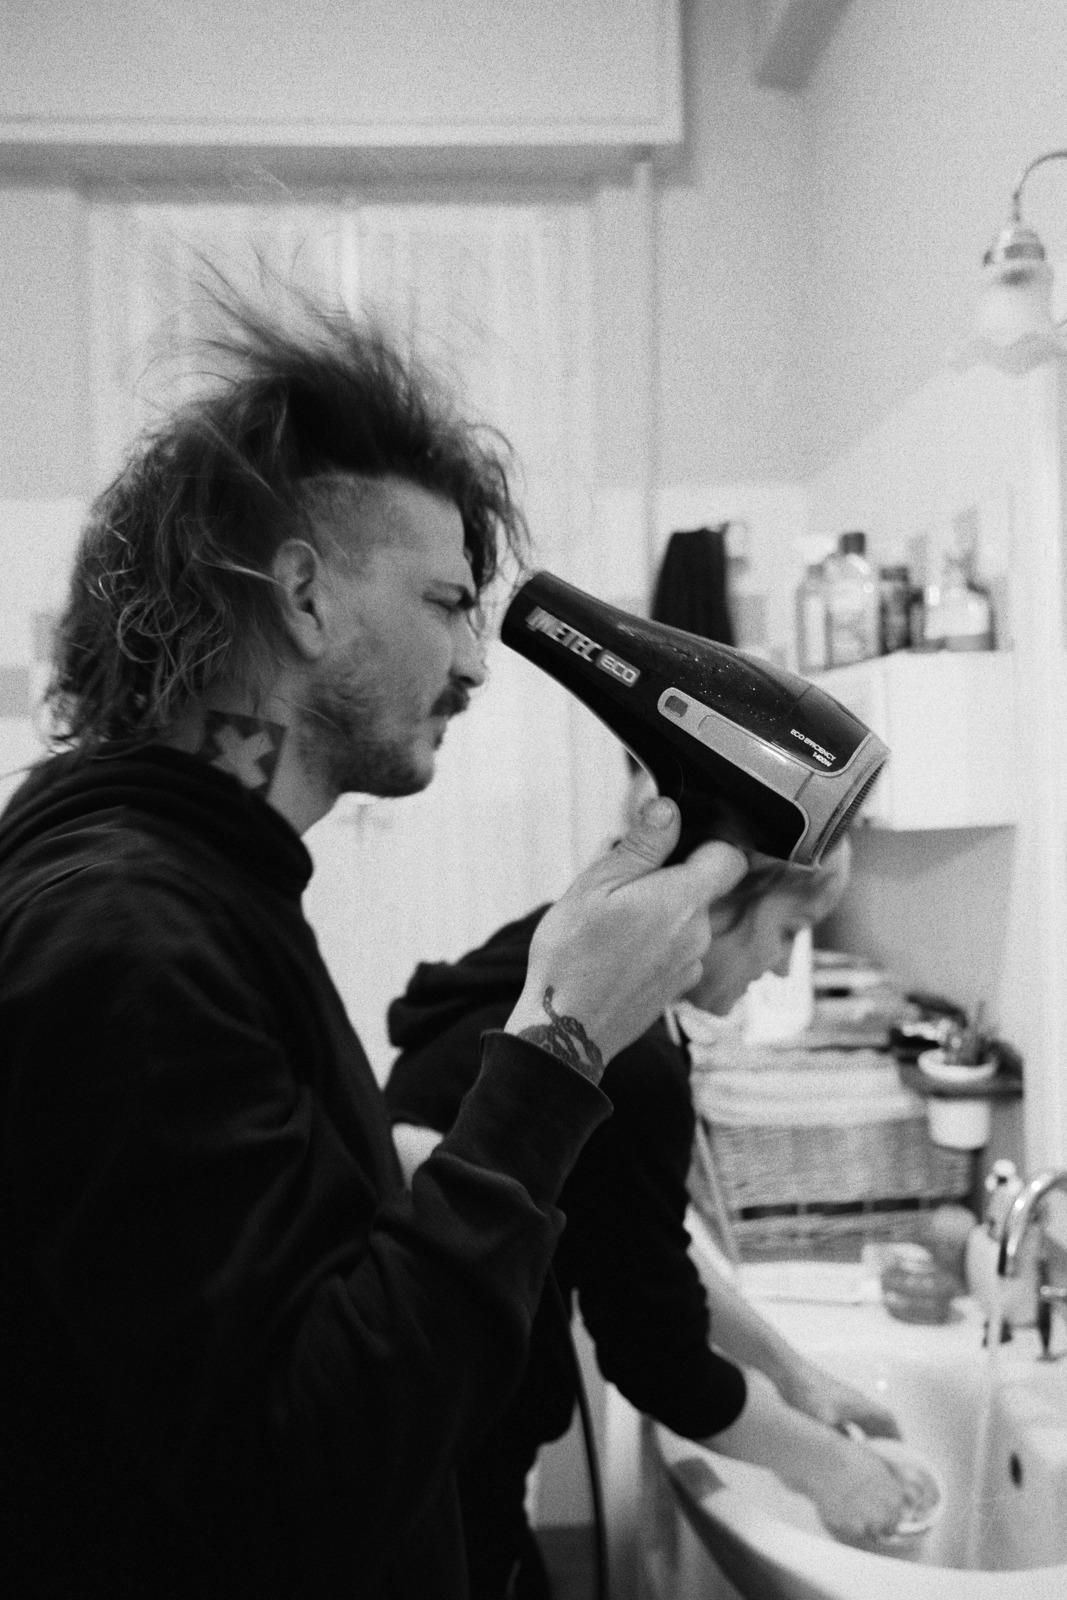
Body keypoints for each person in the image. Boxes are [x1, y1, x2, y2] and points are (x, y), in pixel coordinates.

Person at [0, 289, 749, 1600]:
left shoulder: (192, 889)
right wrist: (555, 1042)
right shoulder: (123, 938)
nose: (473, 665)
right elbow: (312, 1474)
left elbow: (234, 1286)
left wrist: (391, 1163)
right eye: (448, 601)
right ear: (300, 594)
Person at [386, 826, 911, 1599]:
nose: (776, 967)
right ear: (726, 895)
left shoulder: (567, 955)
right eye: (788, 933)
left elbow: (633, 1232)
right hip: (433, 1444)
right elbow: (658, 1361)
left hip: (411, 1400)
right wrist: (833, 1469)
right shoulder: (625, 1052)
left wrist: (790, 1374)